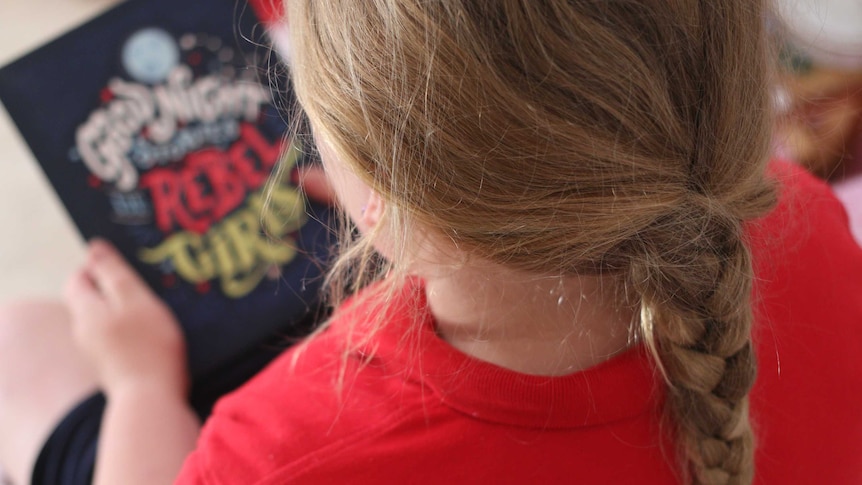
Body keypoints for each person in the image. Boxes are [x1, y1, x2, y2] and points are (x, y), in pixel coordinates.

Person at [1, 1, 861, 484]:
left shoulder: (277, 451)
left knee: (21, 342)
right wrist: (421, 205)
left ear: (374, 190)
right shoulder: (800, 214)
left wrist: (140, 385)